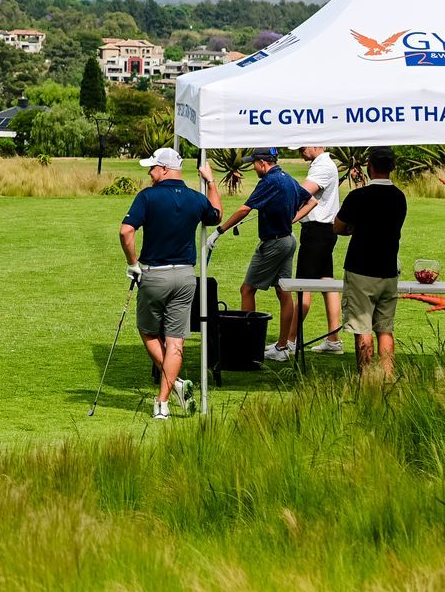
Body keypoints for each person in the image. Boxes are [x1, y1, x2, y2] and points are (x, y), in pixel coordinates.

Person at [119, 147, 223, 418]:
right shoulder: (195, 198)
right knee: (176, 342)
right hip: (186, 277)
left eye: (152, 168)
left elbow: (126, 231)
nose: (149, 172)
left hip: (155, 275)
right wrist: (211, 181)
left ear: (165, 169)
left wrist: (132, 263)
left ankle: (173, 382)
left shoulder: (147, 196)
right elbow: (216, 214)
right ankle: (163, 403)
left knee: (147, 331)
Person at [217, 148, 312, 362]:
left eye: (254, 163)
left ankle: (248, 345)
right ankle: (282, 347)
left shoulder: (269, 181)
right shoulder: (287, 178)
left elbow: (245, 209)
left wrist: (220, 230)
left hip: (274, 244)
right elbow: (311, 201)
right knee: (283, 291)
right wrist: (292, 219)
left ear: (262, 163)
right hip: (288, 239)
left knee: (247, 289)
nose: (253, 167)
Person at [335, 148, 408, 379]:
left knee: (362, 328)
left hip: (361, 269)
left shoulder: (358, 196)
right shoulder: (399, 197)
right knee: (385, 329)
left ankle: (366, 378)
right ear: (392, 167)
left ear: (369, 166)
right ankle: (387, 377)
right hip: (388, 270)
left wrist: (355, 227)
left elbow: (338, 227)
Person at [292, 145, 344, 353]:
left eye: (302, 148)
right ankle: (333, 340)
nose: (300, 152)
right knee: (327, 282)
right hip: (324, 230)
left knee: (303, 286)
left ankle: (289, 341)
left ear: (316, 145)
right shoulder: (321, 164)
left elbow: (301, 193)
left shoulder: (322, 166)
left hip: (317, 231)